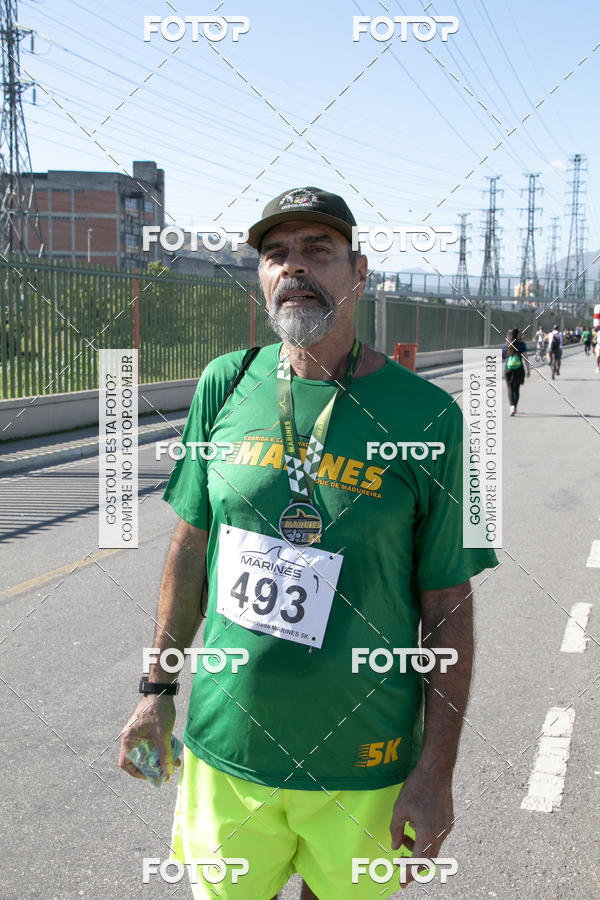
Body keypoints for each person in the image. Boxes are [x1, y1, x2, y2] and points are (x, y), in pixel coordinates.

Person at [119, 187, 498, 900]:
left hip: (364, 764)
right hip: (228, 752)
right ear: (261, 277)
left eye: (317, 251)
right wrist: (156, 689)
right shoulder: (224, 384)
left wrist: (436, 771)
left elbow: (448, 599)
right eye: (276, 253)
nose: (294, 266)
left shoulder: (433, 418)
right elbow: (190, 550)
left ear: (359, 272)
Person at [502, 328, 530, 416]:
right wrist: (528, 369)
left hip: (508, 369)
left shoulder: (506, 345)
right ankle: (515, 406)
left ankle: (512, 407)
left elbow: (503, 358)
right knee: (516, 389)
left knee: (510, 388)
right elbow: (525, 357)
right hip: (519, 369)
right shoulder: (522, 344)